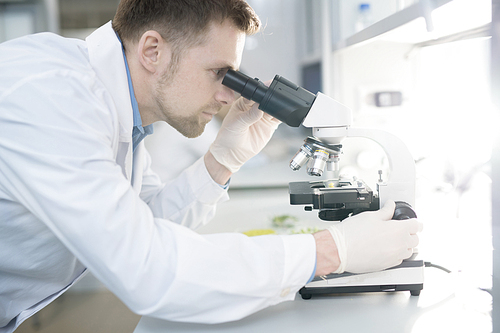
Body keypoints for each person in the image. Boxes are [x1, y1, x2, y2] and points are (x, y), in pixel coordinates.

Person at [0, 0, 422, 331]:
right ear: (152, 50)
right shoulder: (53, 99)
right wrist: (330, 250)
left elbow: (145, 222)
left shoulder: (123, 115)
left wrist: (222, 160)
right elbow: (149, 269)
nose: (227, 96)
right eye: (220, 73)